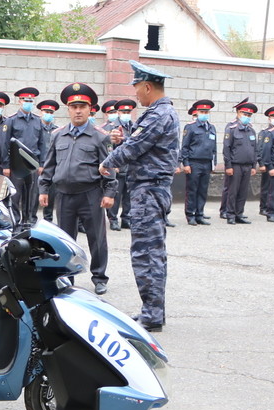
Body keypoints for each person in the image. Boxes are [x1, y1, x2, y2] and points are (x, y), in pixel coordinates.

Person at [99, 60, 179, 332]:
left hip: (149, 190)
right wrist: (123, 141)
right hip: (149, 188)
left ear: (147, 87)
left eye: (137, 87)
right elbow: (142, 145)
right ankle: (152, 311)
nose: (135, 93)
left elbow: (136, 146)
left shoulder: (159, 114)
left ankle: (152, 315)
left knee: (147, 254)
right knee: (150, 252)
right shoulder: (159, 113)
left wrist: (108, 161)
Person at [39, 83, 116, 295]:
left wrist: (109, 193)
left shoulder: (100, 136)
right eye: (74, 107)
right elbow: (49, 165)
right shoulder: (58, 135)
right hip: (64, 195)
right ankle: (66, 277)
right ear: (68, 109)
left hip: (90, 194)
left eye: (82, 107)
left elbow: (109, 166)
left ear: (90, 109)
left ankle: (99, 277)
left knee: (96, 239)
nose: (78, 111)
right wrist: (44, 189)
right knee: (65, 240)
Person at [2, 87, 45, 224]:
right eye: (25, 100)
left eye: (31, 101)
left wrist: (42, 164)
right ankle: (15, 220)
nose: (28, 103)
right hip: (17, 164)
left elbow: (42, 144)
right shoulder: (12, 120)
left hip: (32, 164)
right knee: (16, 195)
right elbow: (5, 144)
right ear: (19, 101)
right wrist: (6, 165)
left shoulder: (37, 121)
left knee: (31, 194)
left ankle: (28, 220)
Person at [180, 99, 217, 225]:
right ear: (197, 112)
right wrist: (186, 163)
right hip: (194, 162)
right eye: (202, 112)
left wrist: (213, 163)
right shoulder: (191, 127)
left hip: (206, 163)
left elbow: (214, 148)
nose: (204, 114)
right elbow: (185, 147)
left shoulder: (211, 128)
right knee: (192, 190)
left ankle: (199, 214)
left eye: (206, 112)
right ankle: (190, 215)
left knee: (203, 190)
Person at [223, 98, 258, 224]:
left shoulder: (251, 130)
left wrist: (254, 166)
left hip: (247, 165)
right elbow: (226, 148)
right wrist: (228, 166)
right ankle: (230, 215)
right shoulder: (231, 128)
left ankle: (239, 214)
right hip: (235, 165)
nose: (246, 117)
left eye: (249, 115)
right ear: (238, 113)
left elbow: (255, 149)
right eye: (244, 114)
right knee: (233, 191)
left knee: (243, 192)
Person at [106, 99, 137, 230]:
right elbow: (108, 147)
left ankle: (126, 219)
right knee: (116, 195)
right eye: (124, 112)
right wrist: (112, 164)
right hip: (118, 167)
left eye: (128, 112)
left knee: (128, 196)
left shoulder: (134, 126)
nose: (126, 114)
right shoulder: (112, 127)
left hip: (131, 167)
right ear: (118, 112)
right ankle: (113, 219)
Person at [257, 105, 274, 217]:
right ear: (269, 118)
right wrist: (261, 163)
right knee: (266, 187)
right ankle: (263, 207)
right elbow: (260, 149)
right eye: (273, 116)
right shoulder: (265, 132)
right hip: (268, 164)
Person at [37, 99, 60, 221]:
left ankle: (48, 218)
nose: (48, 114)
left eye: (51, 112)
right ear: (41, 112)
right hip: (37, 167)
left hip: (52, 167)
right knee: (33, 195)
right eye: (46, 111)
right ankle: (31, 219)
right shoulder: (36, 128)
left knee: (50, 194)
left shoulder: (56, 130)